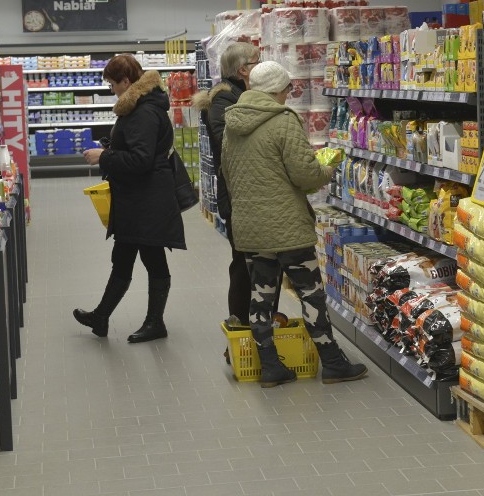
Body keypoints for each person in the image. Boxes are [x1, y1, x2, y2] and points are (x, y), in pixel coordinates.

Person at [222, 61, 367, 388]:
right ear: (276, 90)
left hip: (251, 227)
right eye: (287, 89)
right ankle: (332, 363)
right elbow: (305, 176)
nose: (289, 95)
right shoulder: (283, 121)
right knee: (311, 293)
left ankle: (270, 366)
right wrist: (327, 170)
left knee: (261, 297)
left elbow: (228, 173)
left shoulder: (233, 122)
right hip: (286, 227)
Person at [74, 54, 186, 343]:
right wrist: (113, 146)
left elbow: (141, 160)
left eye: (112, 84)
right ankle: (100, 317)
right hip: (137, 198)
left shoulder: (144, 112)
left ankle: (155, 323)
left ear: (126, 81)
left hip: (147, 199)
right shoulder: (138, 106)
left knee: (153, 258)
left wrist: (105, 156)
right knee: (122, 257)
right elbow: (139, 149)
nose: (111, 89)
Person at [192, 43, 260, 337]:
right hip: (237, 194)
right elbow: (226, 144)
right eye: (257, 61)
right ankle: (241, 327)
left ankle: (256, 326)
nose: (261, 65)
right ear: (242, 69)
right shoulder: (223, 100)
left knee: (254, 264)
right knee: (243, 264)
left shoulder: (241, 95)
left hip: (249, 192)